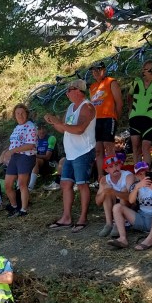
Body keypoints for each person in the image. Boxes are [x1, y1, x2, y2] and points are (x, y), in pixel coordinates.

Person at [44, 79, 96, 232]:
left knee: (82, 184)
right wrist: (54, 123)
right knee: (65, 184)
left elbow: (80, 129)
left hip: (84, 151)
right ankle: (66, 218)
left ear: (79, 91)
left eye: (70, 89)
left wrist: (58, 122)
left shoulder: (87, 107)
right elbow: (64, 129)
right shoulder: (70, 107)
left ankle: (83, 218)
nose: (66, 93)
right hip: (71, 153)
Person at [108, 160, 152, 251]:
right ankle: (123, 239)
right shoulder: (136, 185)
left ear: (150, 171)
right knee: (117, 207)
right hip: (142, 218)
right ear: (136, 176)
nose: (143, 176)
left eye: (145, 172)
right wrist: (137, 188)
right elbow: (131, 200)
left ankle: (150, 238)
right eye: (140, 174)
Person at [0, 104, 36, 217]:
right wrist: (7, 153)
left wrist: (12, 151)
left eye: (22, 113)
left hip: (26, 156)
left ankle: (23, 209)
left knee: (22, 184)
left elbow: (30, 145)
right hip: (15, 157)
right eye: (17, 113)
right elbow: (13, 144)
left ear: (27, 114)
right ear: (15, 116)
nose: (20, 115)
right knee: (8, 184)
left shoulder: (31, 126)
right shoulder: (16, 128)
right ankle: (14, 206)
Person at [88, 61, 123, 160]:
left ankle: (114, 171)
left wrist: (116, 118)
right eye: (93, 70)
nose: (95, 72)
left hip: (109, 117)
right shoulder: (92, 87)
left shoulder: (111, 81)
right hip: (96, 120)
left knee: (108, 145)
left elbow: (119, 102)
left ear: (104, 70)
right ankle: (100, 174)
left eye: (98, 69)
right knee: (98, 150)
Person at [94, 155, 136, 238]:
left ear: (120, 165)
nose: (115, 168)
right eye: (111, 166)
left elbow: (132, 199)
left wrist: (114, 192)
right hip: (115, 206)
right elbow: (98, 202)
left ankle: (117, 224)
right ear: (106, 170)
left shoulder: (128, 176)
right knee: (106, 193)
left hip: (131, 207)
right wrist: (104, 192)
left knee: (124, 190)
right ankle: (109, 224)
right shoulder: (104, 179)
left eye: (116, 165)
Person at [29, 123, 56, 191]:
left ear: (46, 129)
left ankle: (30, 187)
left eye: (43, 128)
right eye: (39, 129)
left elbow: (47, 157)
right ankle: (20, 185)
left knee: (35, 160)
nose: (41, 131)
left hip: (51, 164)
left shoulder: (51, 138)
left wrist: (33, 155)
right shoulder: (34, 140)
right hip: (38, 165)